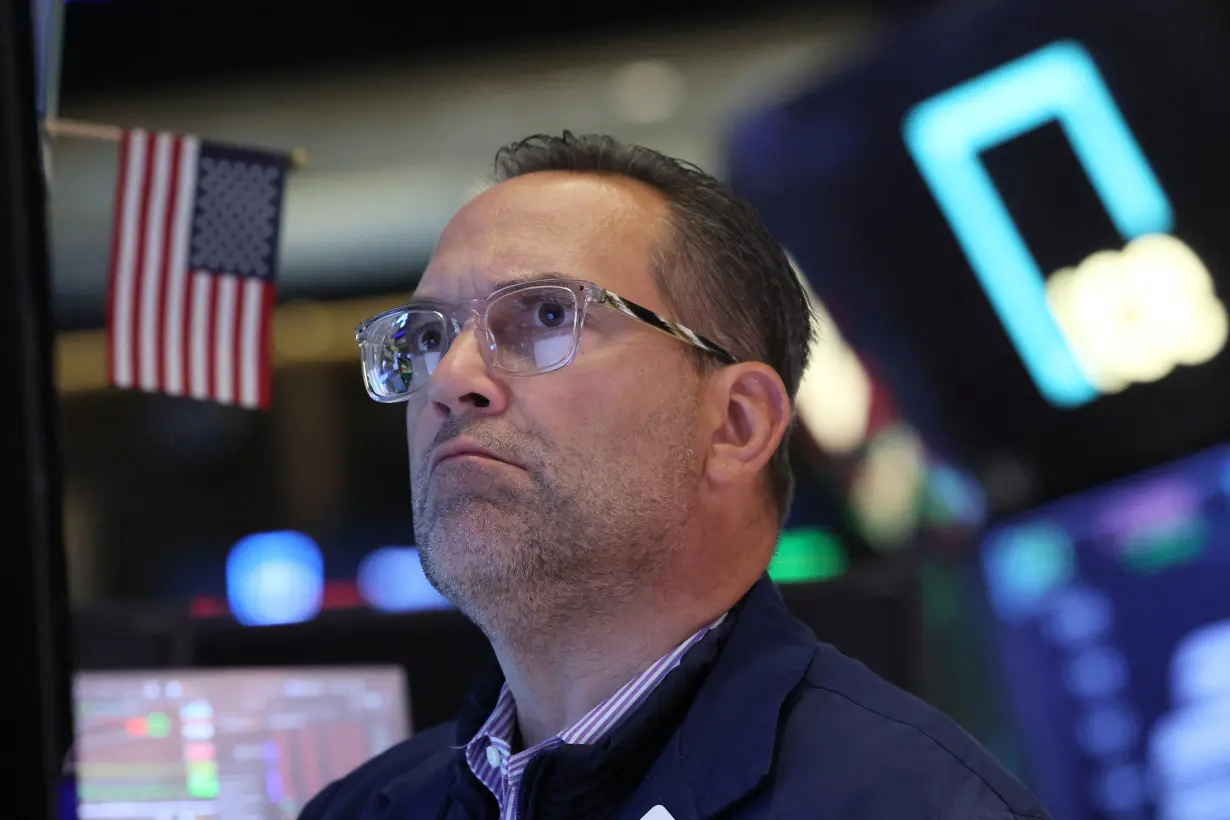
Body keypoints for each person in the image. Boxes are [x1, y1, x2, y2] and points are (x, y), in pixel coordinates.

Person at [301, 132, 1051, 820]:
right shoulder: (362, 811)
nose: (452, 378)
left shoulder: (915, 807)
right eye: (427, 336)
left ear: (738, 425)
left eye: (545, 317)